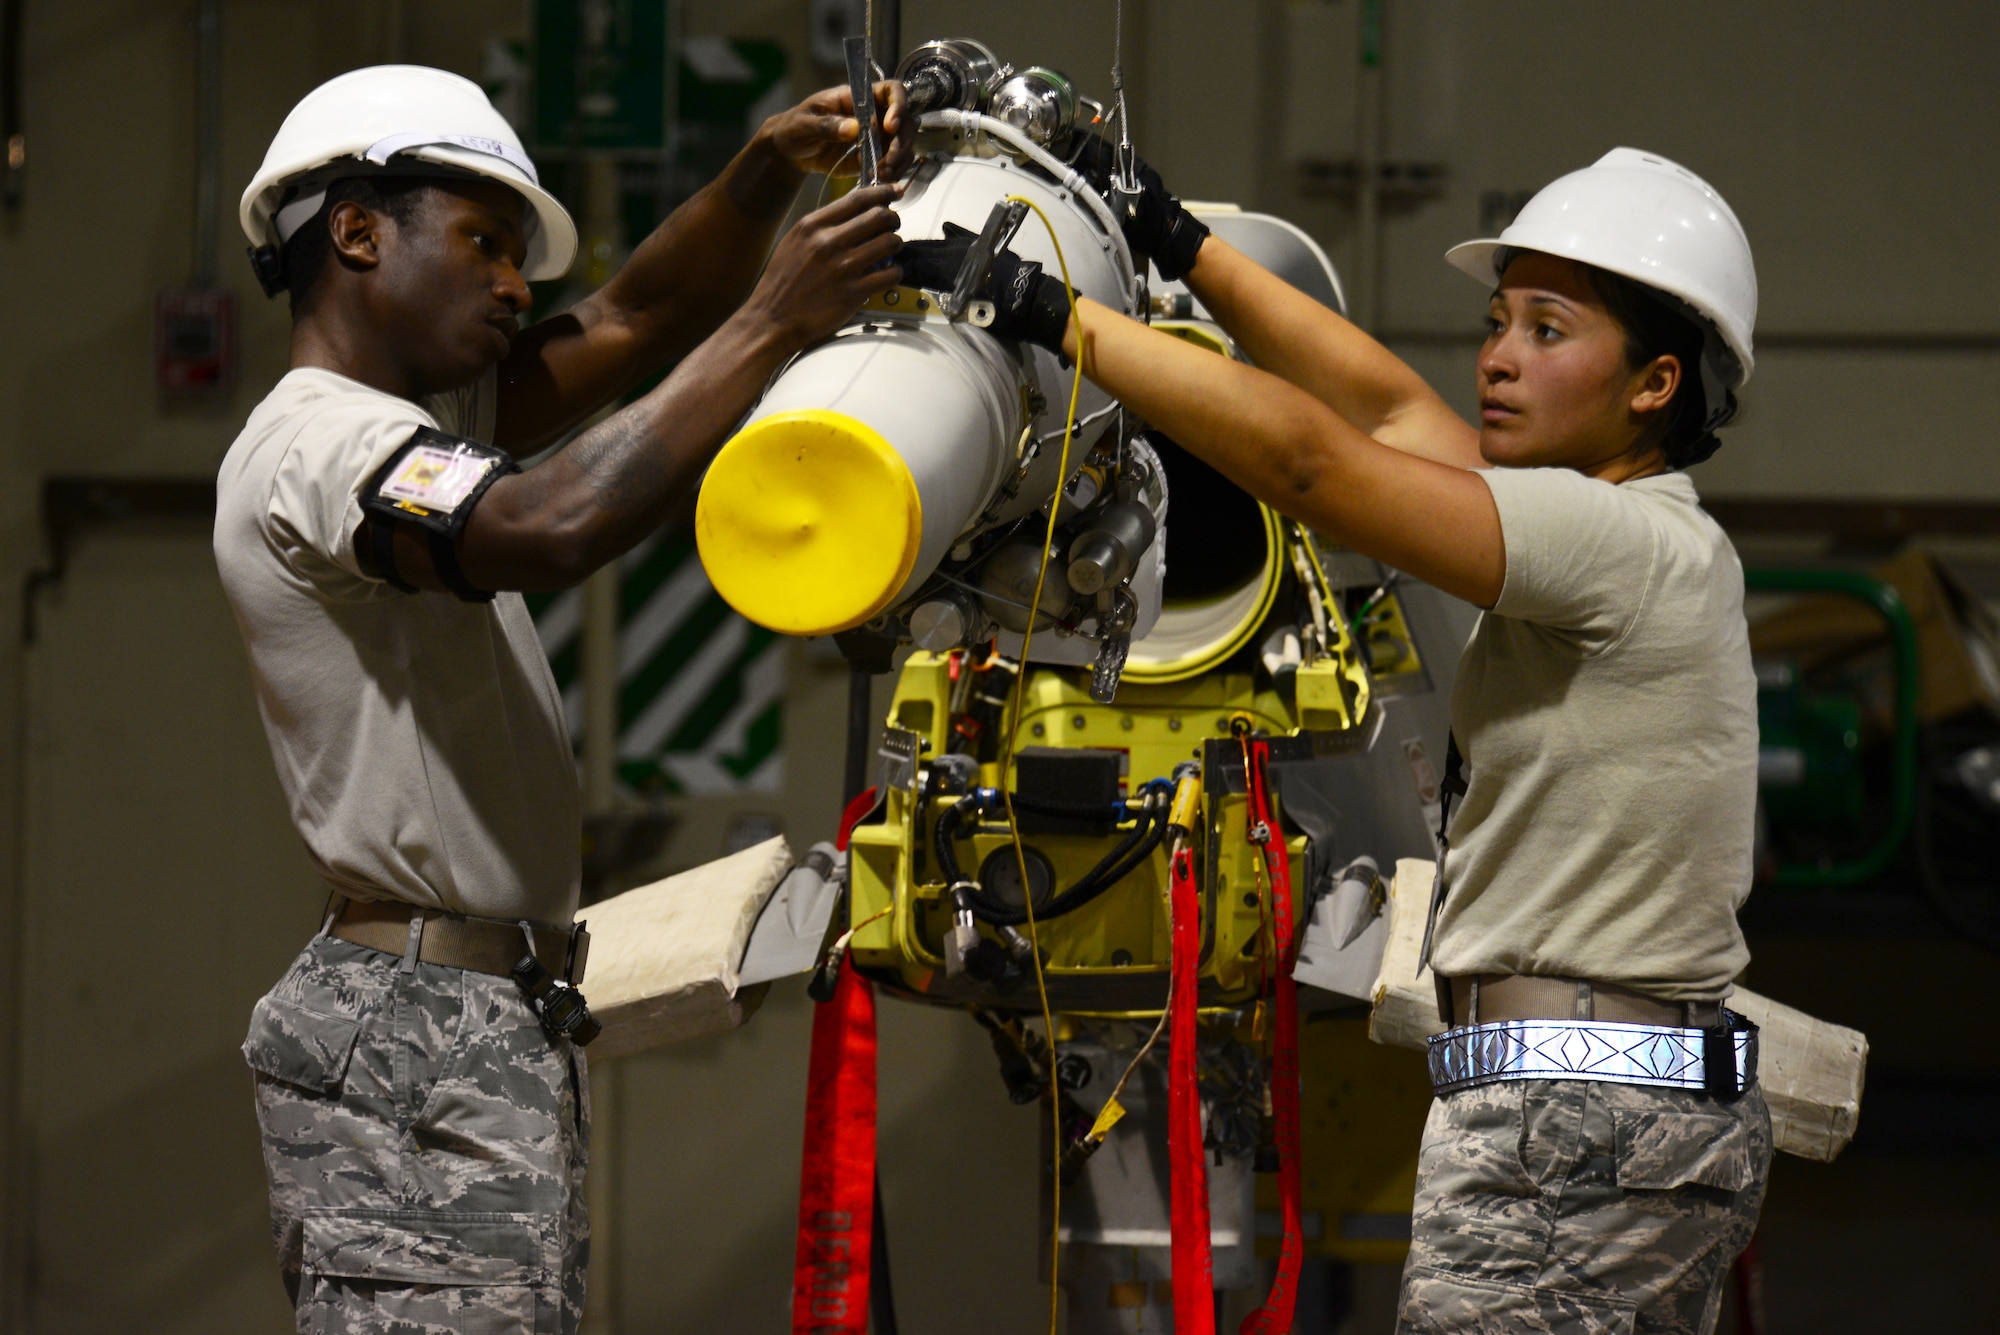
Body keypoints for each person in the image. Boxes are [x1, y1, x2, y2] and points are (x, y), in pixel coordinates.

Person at [919, 145, 1770, 1332]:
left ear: (1653, 383)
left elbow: (1316, 462)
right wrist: (1178, 244)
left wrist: (1058, 321)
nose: (1495, 357)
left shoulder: (1615, 545)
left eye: (1546, 330)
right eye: (1495, 321)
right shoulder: (1614, 531)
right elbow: (1379, 408)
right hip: (1588, 1104)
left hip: (1572, 1114)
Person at [216, 64, 909, 1333]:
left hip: (471, 1015)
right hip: (415, 1033)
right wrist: (777, 322)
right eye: (482, 240)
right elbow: (549, 523)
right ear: (358, 232)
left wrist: (763, 171)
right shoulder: (321, 445)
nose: (513, 284)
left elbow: (640, 318)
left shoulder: (410, 422)